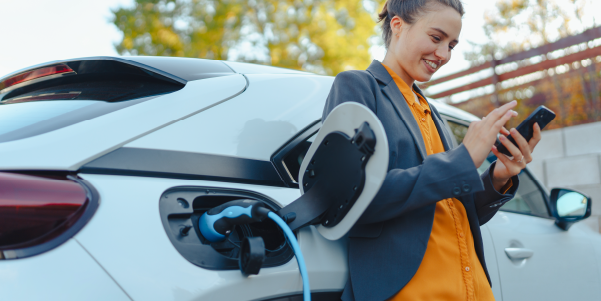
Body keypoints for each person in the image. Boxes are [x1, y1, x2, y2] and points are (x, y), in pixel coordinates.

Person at [322, 0, 542, 300]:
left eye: (452, 45)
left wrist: (499, 177)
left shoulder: (431, 111)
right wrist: (462, 159)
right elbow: (350, 199)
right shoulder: (358, 87)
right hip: (412, 291)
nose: (444, 54)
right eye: (436, 38)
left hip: (473, 289)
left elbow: (454, 209)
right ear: (398, 25)